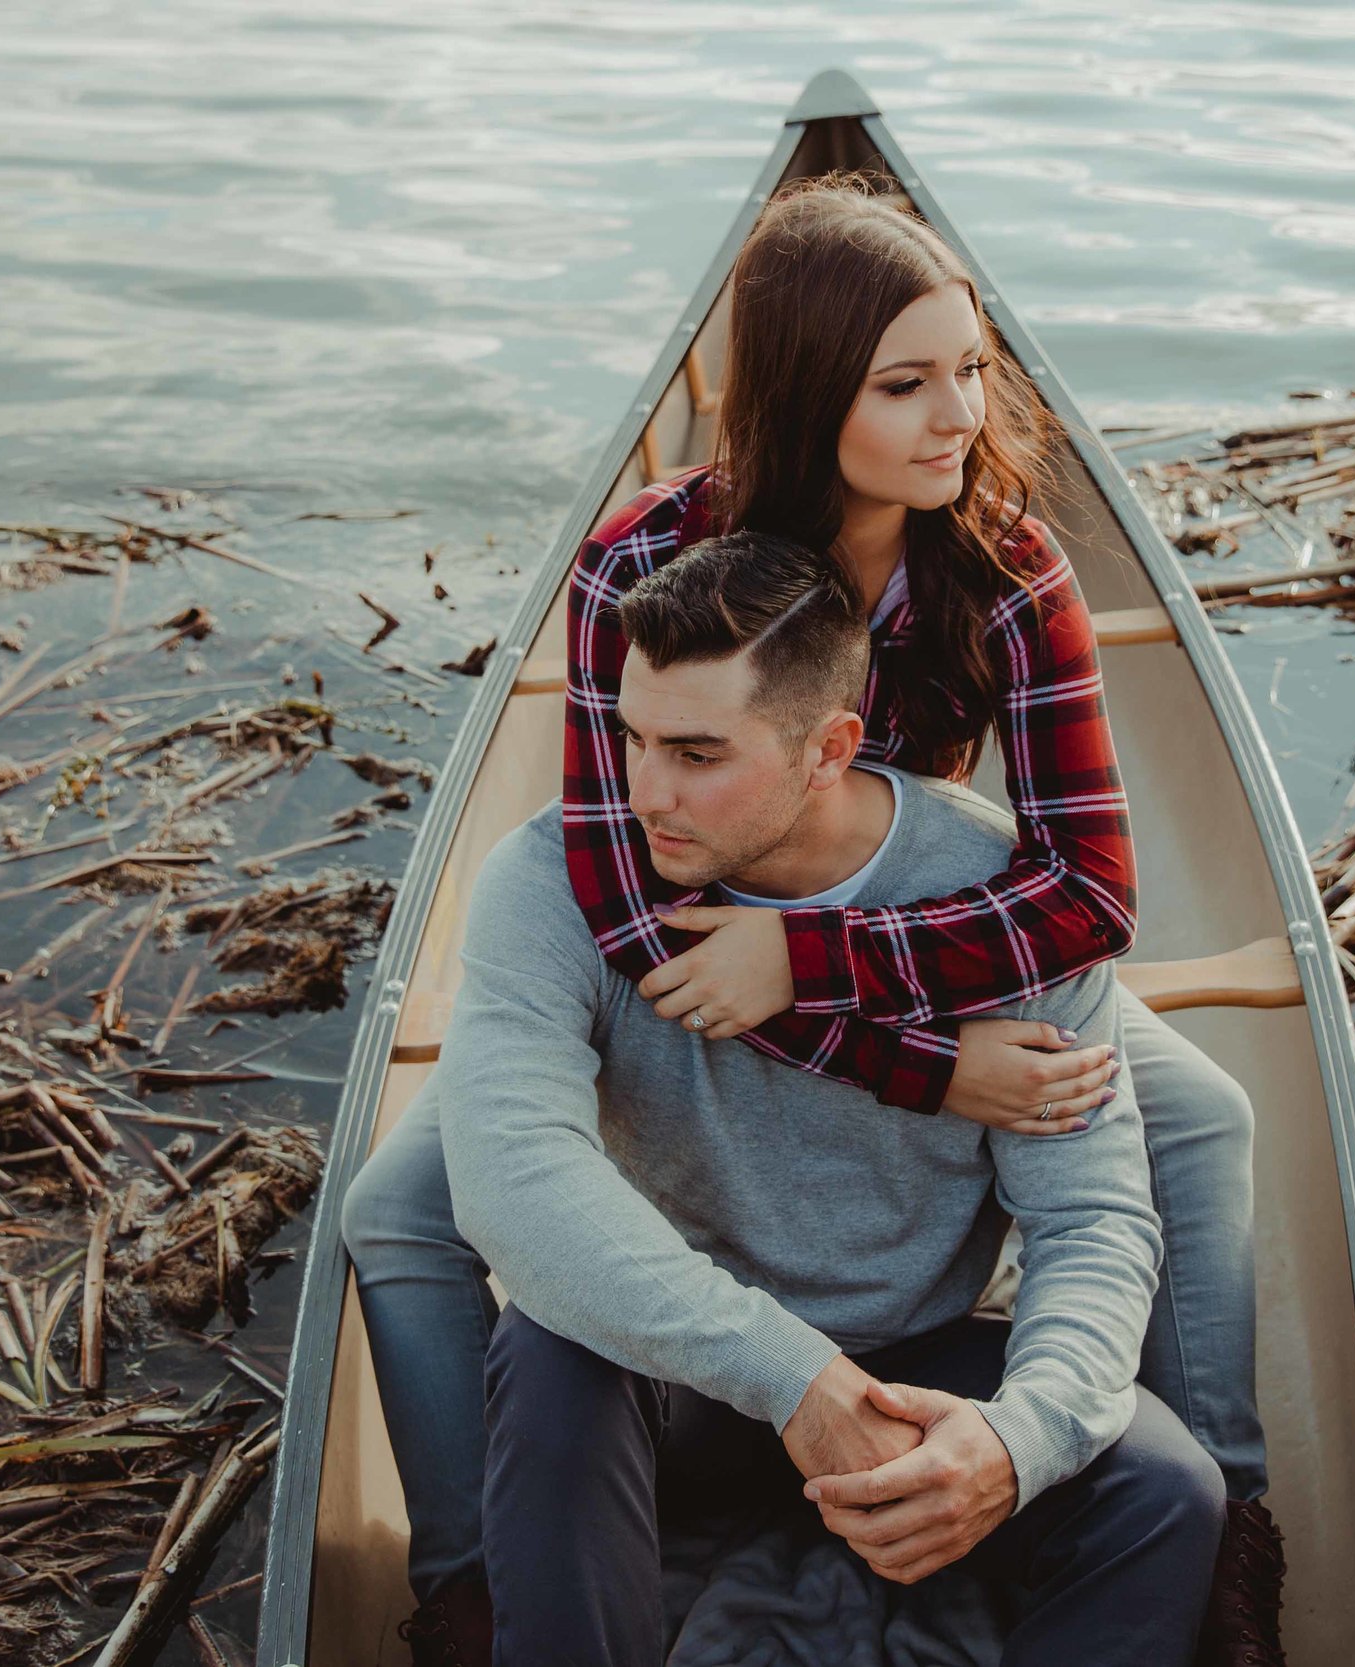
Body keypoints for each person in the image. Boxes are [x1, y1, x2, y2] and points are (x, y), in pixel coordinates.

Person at [340, 174, 1282, 1665]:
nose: (958, 414)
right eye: (906, 384)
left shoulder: (1007, 564)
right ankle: (473, 1588)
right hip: (706, 928)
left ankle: (1228, 1528)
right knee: (402, 1205)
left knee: (1201, 1119)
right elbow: (623, 868)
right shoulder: (640, 571)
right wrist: (918, 1064)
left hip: (908, 915)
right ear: (803, 394)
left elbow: (1090, 891)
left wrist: (840, 977)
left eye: (972, 369)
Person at [442, 535, 1222, 1665]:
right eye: (633, 737)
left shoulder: (1002, 899)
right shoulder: (556, 876)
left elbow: (1090, 1218)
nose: (644, 791)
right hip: (689, 1366)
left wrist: (1013, 1440)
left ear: (829, 748)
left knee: (1166, 1491)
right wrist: (791, 1376)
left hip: (923, 1354)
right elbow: (515, 1180)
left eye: (698, 752)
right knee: (547, 1350)